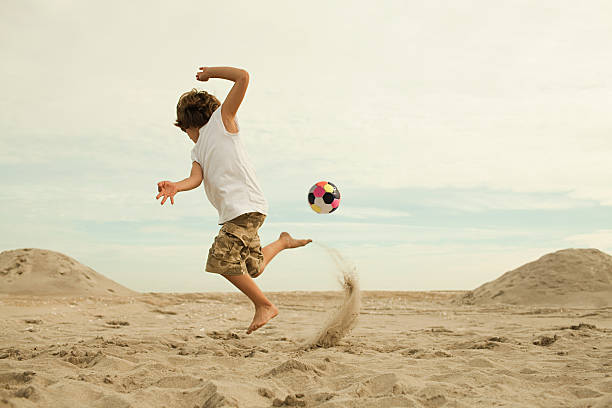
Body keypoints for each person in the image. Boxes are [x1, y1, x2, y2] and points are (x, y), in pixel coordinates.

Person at [156, 66, 312, 334]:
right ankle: (283, 242)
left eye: (186, 131)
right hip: (241, 212)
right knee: (253, 267)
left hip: (245, 207)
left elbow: (243, 77)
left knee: (221, 260)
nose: (188, 137)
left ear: (189, 124)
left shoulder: (222, 121)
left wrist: (211, 74)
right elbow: (195, 179)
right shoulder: (197, 151)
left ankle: (264, 305)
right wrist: (175, 187)